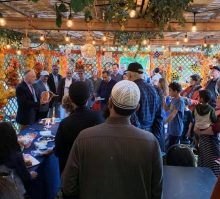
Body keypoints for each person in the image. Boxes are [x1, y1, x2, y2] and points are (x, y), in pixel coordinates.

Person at [62, 80, 163, 199]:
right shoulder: (150, 142)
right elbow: (157, 190)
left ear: (109, 103)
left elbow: (68, 186)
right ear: (137, 108)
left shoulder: (84, 138)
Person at [54, 81, 104, 174]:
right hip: (95, 170)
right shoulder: (99, 117)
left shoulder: (65, 123)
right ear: (89, 96)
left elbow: (59, 151)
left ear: (71, 99)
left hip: (72, 173)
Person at [126, 62, 164, 152]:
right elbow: (160, 115)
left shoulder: (131, 89)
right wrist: (155, 136)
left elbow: (132, 115)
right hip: (151, 133)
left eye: (127, 75)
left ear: (130, 74)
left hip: (135, 135)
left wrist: (140, 133)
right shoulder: (154, 89)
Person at [0, 122, 37, 197]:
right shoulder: (15, 155)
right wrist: (31, 175)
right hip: (14, 190)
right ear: (13, 136)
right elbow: (25, 177)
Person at [194, 90, 219, 176]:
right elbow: (214, 121)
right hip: (207, 138)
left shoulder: (197, 108)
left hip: (205, 137)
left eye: (218, 98)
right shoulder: (212, 109)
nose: (216, 99)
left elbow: (214, 129)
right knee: (207, 159)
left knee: (205, 159)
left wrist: (198, 128)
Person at [164, 82, 185, 150]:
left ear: (175, 91)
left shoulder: (180, 101)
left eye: (170, 90)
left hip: (176, 129)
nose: (169, 92)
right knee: (168, 147)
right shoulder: (173, 99)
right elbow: (166, 108)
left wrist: (164, 122)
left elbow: (173, 114)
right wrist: (163, 99)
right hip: (171, 128)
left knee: (173, 149)